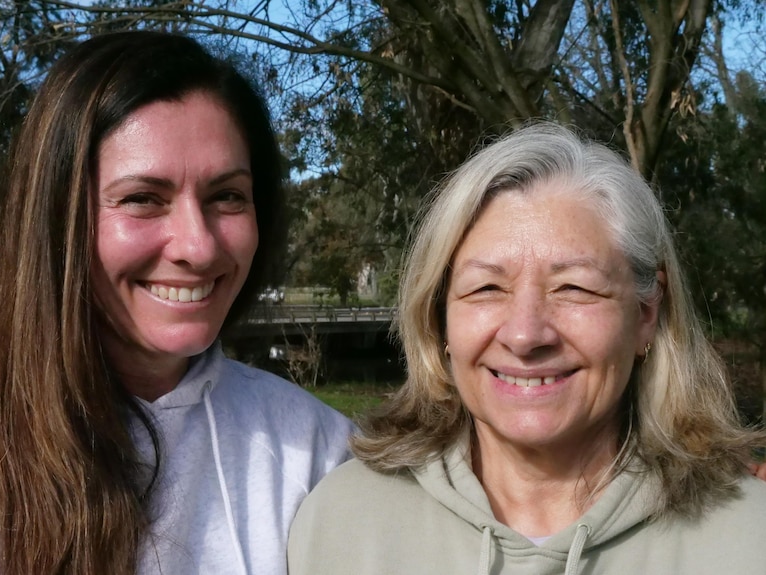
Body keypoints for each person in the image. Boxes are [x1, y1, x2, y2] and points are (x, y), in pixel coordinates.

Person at [0, 31, 353, 575]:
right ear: (55, 220)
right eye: (142, 199)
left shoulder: (316, 450)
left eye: (227, 196)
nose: (198, 246)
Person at [288, 123, 766, 574]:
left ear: (645, 314)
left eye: (575, 287)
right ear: (439, 319)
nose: (525, 334)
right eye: (487, 288)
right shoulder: (337, 526)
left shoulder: (748, 539)